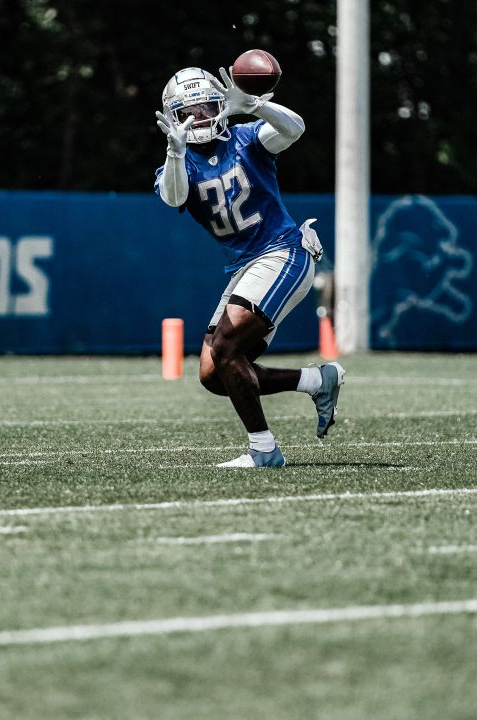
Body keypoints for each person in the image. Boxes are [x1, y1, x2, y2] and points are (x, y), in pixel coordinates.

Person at [153, 66, 346, 468]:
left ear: (220, 105)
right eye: (187, 112)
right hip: (245, 267)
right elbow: (173, 198)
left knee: (225, 346)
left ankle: (263, 449)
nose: (199, 118)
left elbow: (294, 129)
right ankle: (316, 380)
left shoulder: (244, 138)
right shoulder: (179, 162)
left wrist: (257, 106)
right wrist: (175, 151)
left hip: (284, 252)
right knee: (213, 372)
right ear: (173, 119)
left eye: (205, 107)